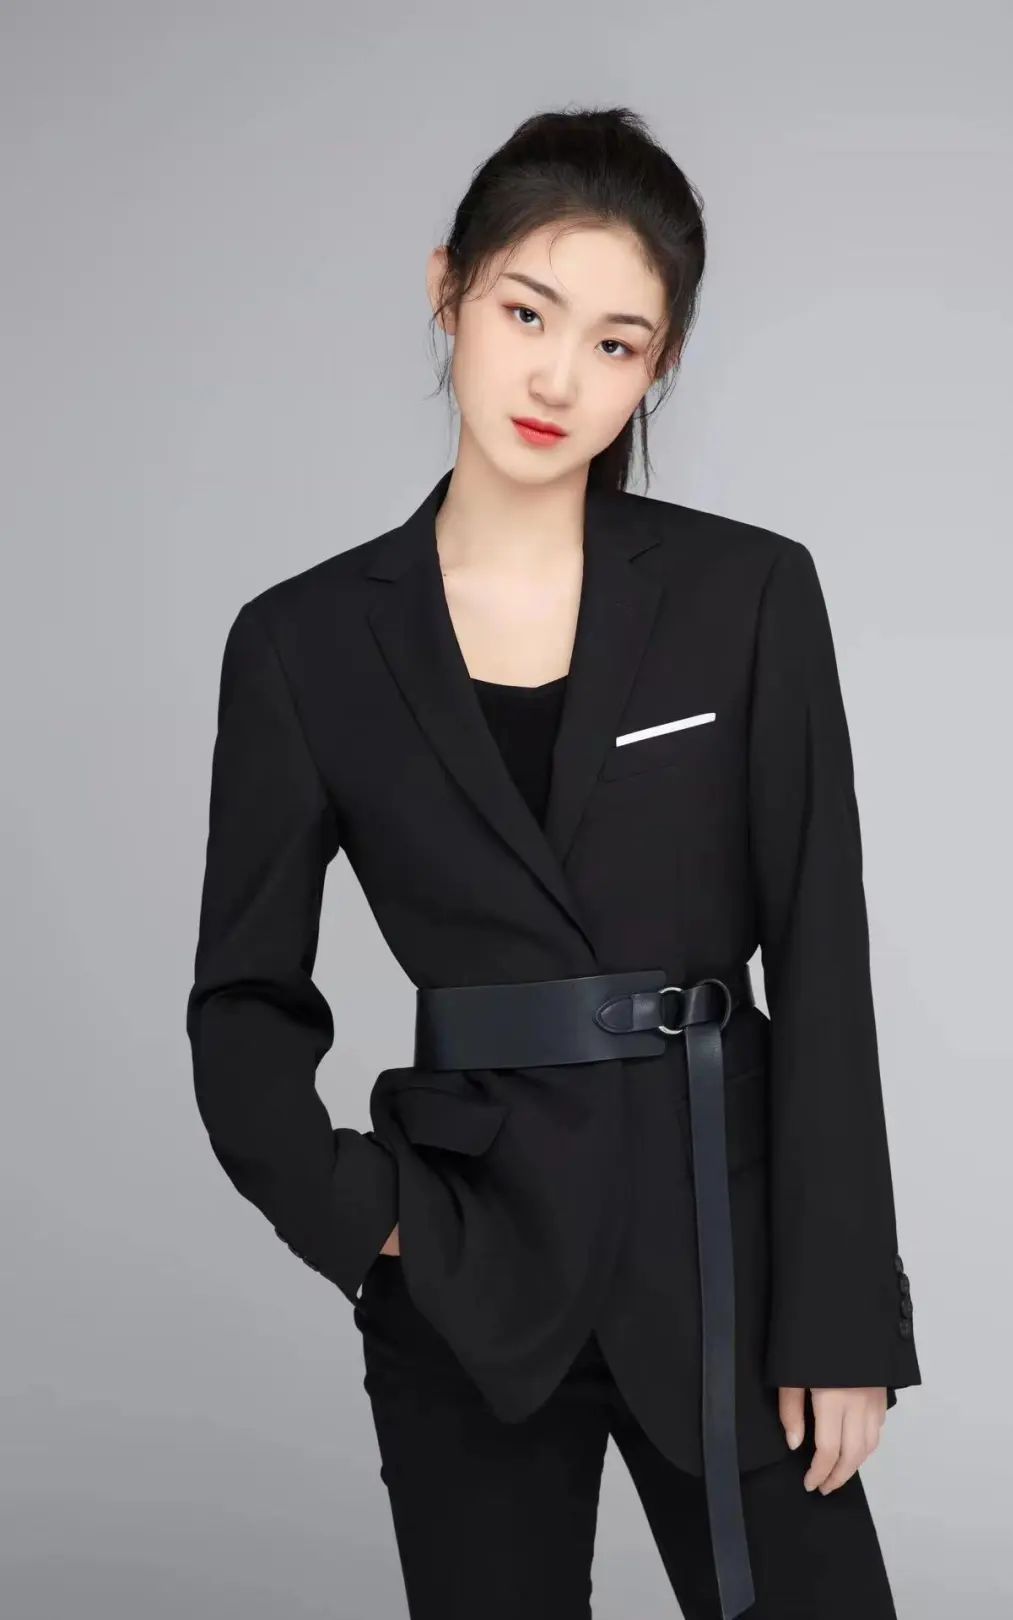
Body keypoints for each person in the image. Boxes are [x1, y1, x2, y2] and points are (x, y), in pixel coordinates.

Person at [186, 106, 922, 1619]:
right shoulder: (303, 643)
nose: (558, 378)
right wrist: (371, 1223)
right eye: (527, 313)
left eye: (616, 343)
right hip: (468, 1266)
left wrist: (843, 1316)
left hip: (727, 1257)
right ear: (447, 289)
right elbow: (242, 1001)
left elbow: (823, 960)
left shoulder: (748, 595)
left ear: (658, 367)